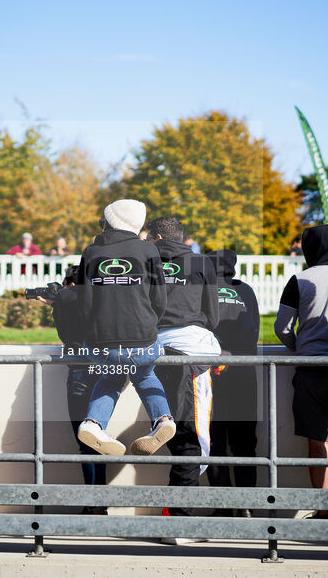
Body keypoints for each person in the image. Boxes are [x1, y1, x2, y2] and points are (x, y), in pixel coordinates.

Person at [274, 224, 328, 521]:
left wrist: (301, 346)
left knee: (318, 441)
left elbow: (282, 328)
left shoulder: (300, 279)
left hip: (311, 371)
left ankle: (323, 509)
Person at [75, 199, 176, 457]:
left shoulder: (91, 252)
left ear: (111, 220)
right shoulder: (148, 251)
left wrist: (93, 331)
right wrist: (149, 324)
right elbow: (160, 299)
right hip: (142, 340)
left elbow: (84, 303)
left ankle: (93, 423)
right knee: (143, 374)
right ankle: (163, 420)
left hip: (102, 343)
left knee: (111, 374)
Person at [147, 216, 220, 538]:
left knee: (176, 432)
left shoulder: (144, 261)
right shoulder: (201, 262)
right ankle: (180, 521)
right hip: (191, 354)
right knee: (193, 437)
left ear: (158, 236)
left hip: (151, 352)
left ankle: (173, 515)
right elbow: (213, 315)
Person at [42, 264, 107, 514]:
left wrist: (57, 299)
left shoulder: (65, 300)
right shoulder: (97, 298)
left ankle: (93, 503)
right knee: (98, 438)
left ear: (69, 283)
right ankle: (98, 503)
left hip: (79, 370)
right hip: (103, 369)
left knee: (84, 440)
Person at [205, 249, 259, 518]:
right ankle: (247, 505)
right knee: (245, 444)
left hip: (209, 375)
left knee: (214, 443)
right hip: (244, 374)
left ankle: (223, 507)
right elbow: (253, 331)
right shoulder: (246, 290)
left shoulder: (202, 290)